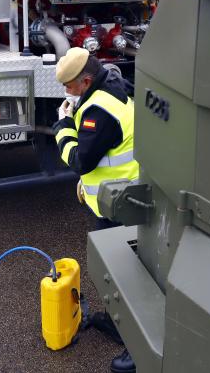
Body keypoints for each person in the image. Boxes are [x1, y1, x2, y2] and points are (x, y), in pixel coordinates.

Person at [51, 48, 139, 373]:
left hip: (118, 204)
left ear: (86, 80)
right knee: (119, 269)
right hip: (121, 197)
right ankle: (121, 325)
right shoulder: (111, 87)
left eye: (70, 87)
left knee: (122, 273)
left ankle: (136, 346)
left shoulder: (98, 110)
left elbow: (79, 160)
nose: (67, 93)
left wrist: (62, 127)